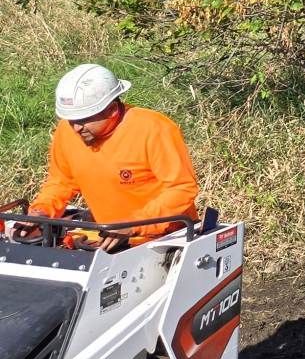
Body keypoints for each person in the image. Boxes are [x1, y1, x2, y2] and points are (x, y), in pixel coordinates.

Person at [16, 64, 200, 248]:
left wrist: (133, 224)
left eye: (83, 120)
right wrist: (42, 211)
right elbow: (61, 181)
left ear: (112, 110)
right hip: (107, 236)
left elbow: (181, 188)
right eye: (71, 120)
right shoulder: (67, 131)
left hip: (165, 238)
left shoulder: (153, 129)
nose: (76, 128)